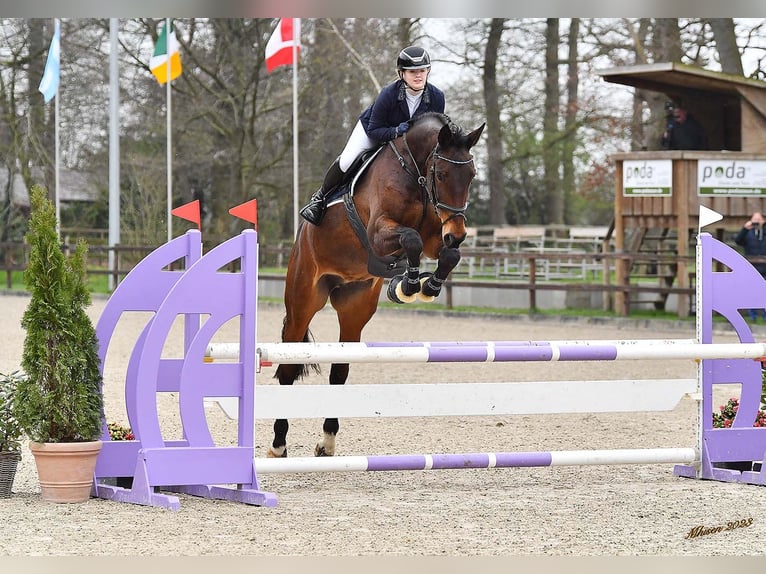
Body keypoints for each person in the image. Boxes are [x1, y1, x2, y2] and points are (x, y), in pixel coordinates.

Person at [300, 46, 446, 226]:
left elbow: (433, 133)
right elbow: (374, 129)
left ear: (428, 71)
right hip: (375, 130)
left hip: (409, 145)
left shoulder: (437, 97)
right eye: (412, 71)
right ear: (401, 74)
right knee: (347, 160)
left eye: (422, 71)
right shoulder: (389, 94)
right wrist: (395, 132)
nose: (418, 76)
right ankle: (320, 199)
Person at [734, 211, 766, 321]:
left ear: (763, 221)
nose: (757, 222)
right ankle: (753, 317)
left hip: (765, 269)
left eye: (759, 219)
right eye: (754, 219)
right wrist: (745, 228)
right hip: (752, 268)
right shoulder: (748, 233)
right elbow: (738, 241)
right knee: (752, 293)